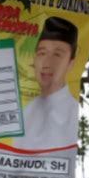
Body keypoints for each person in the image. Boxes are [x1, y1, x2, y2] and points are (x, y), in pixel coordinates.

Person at [14, 17, 79, 151]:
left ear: (70, 64)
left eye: (57, 55)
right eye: (42, 53)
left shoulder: (72, 111)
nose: (47, 63)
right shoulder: (29, 108)